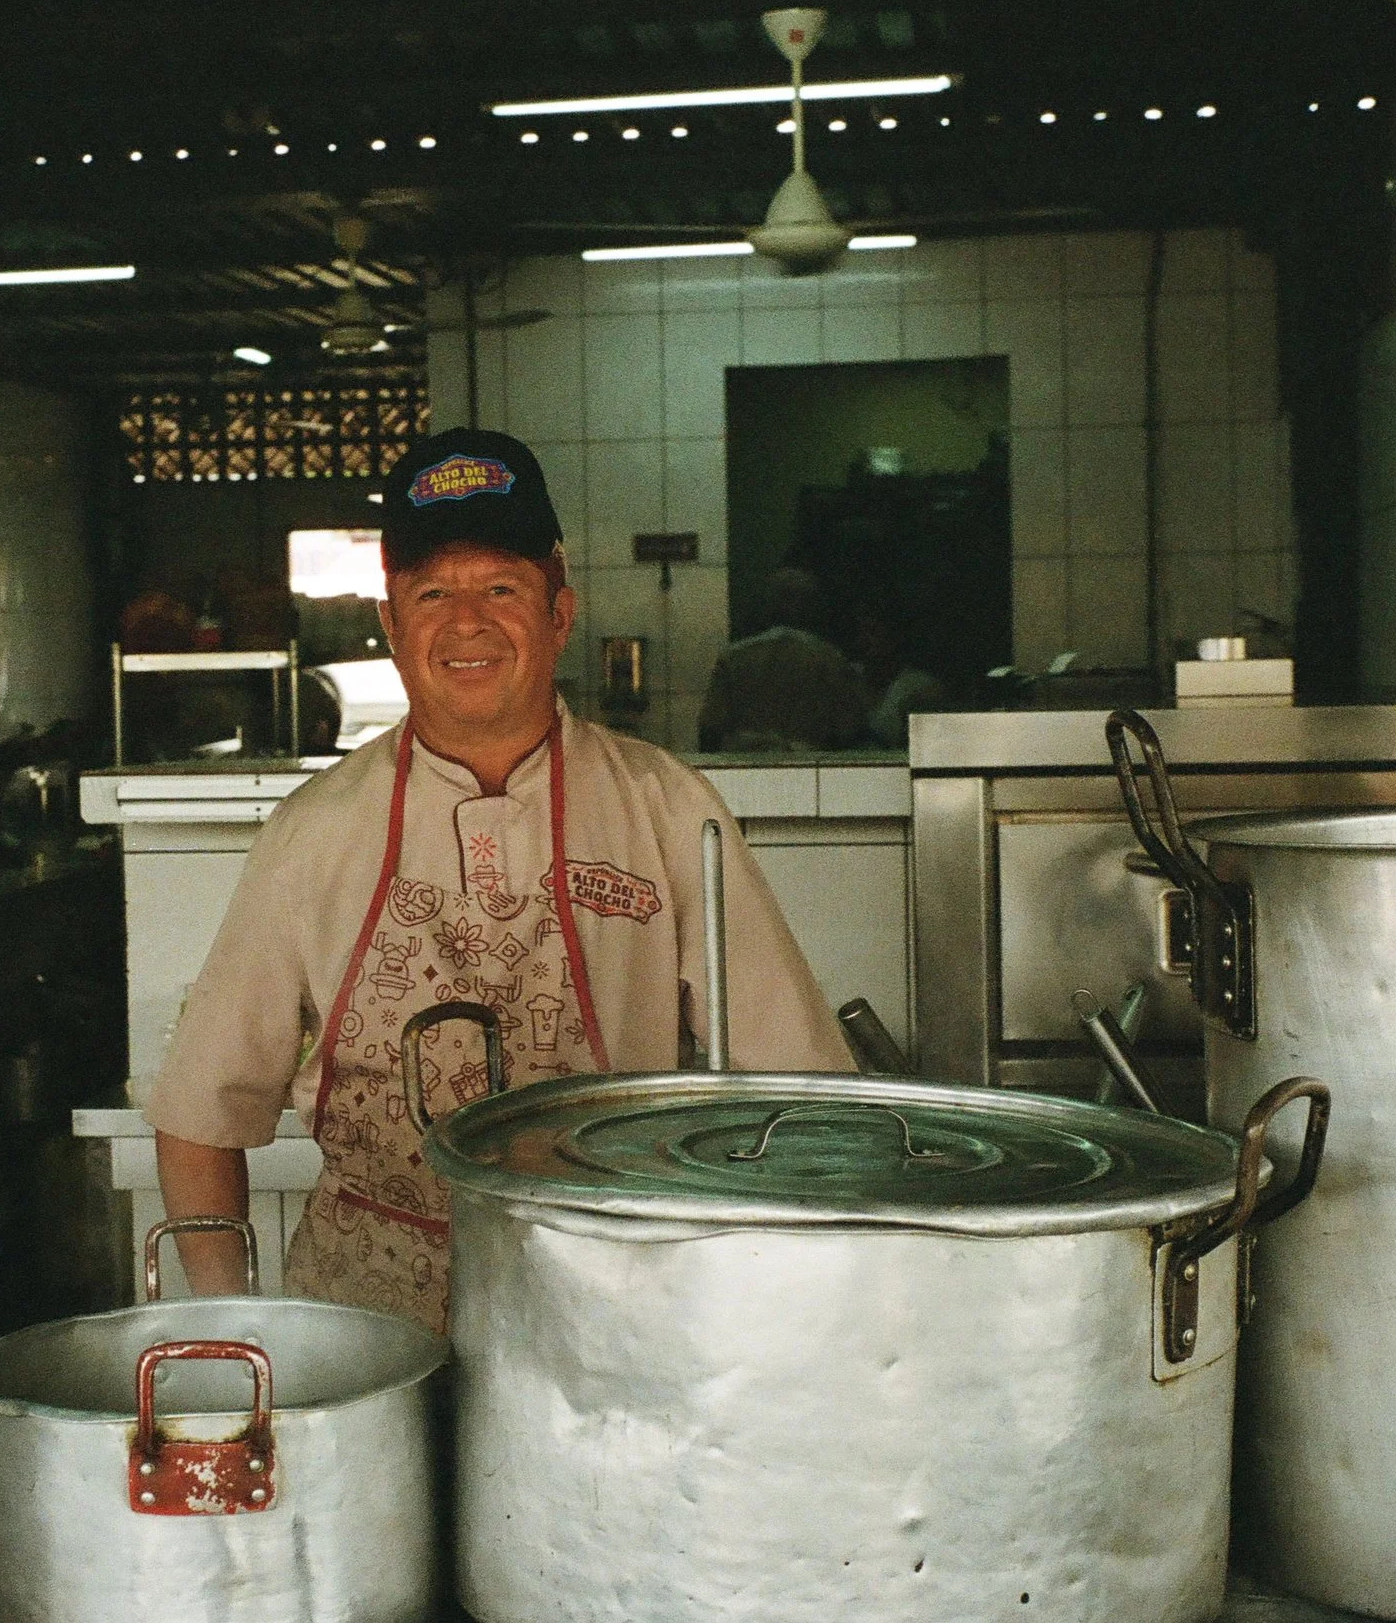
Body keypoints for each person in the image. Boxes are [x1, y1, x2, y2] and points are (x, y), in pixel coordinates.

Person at [146, 428, 853, 1331]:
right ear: (392, 624)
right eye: (433, 592)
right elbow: (202, 1111)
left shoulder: (668, 808)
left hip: (612, 1309)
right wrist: (232, 1329)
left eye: (501, 588)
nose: (467, 622)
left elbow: (797, 1094)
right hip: (371, 1330)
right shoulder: (309, 833)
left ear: (559, 612)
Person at [696, 567, 871, 753]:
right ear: (812, 607)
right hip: (812, 767)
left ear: (767, 605)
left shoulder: (734, 658)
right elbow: (849, 729)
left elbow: (709, 728)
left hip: (746, 766)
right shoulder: (830, 660)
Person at [854, 608, 951, 750]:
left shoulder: (920, 688)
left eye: (872, 632)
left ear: (894, 637)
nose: (863, 641)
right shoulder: (844, 676)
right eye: (860, 633)